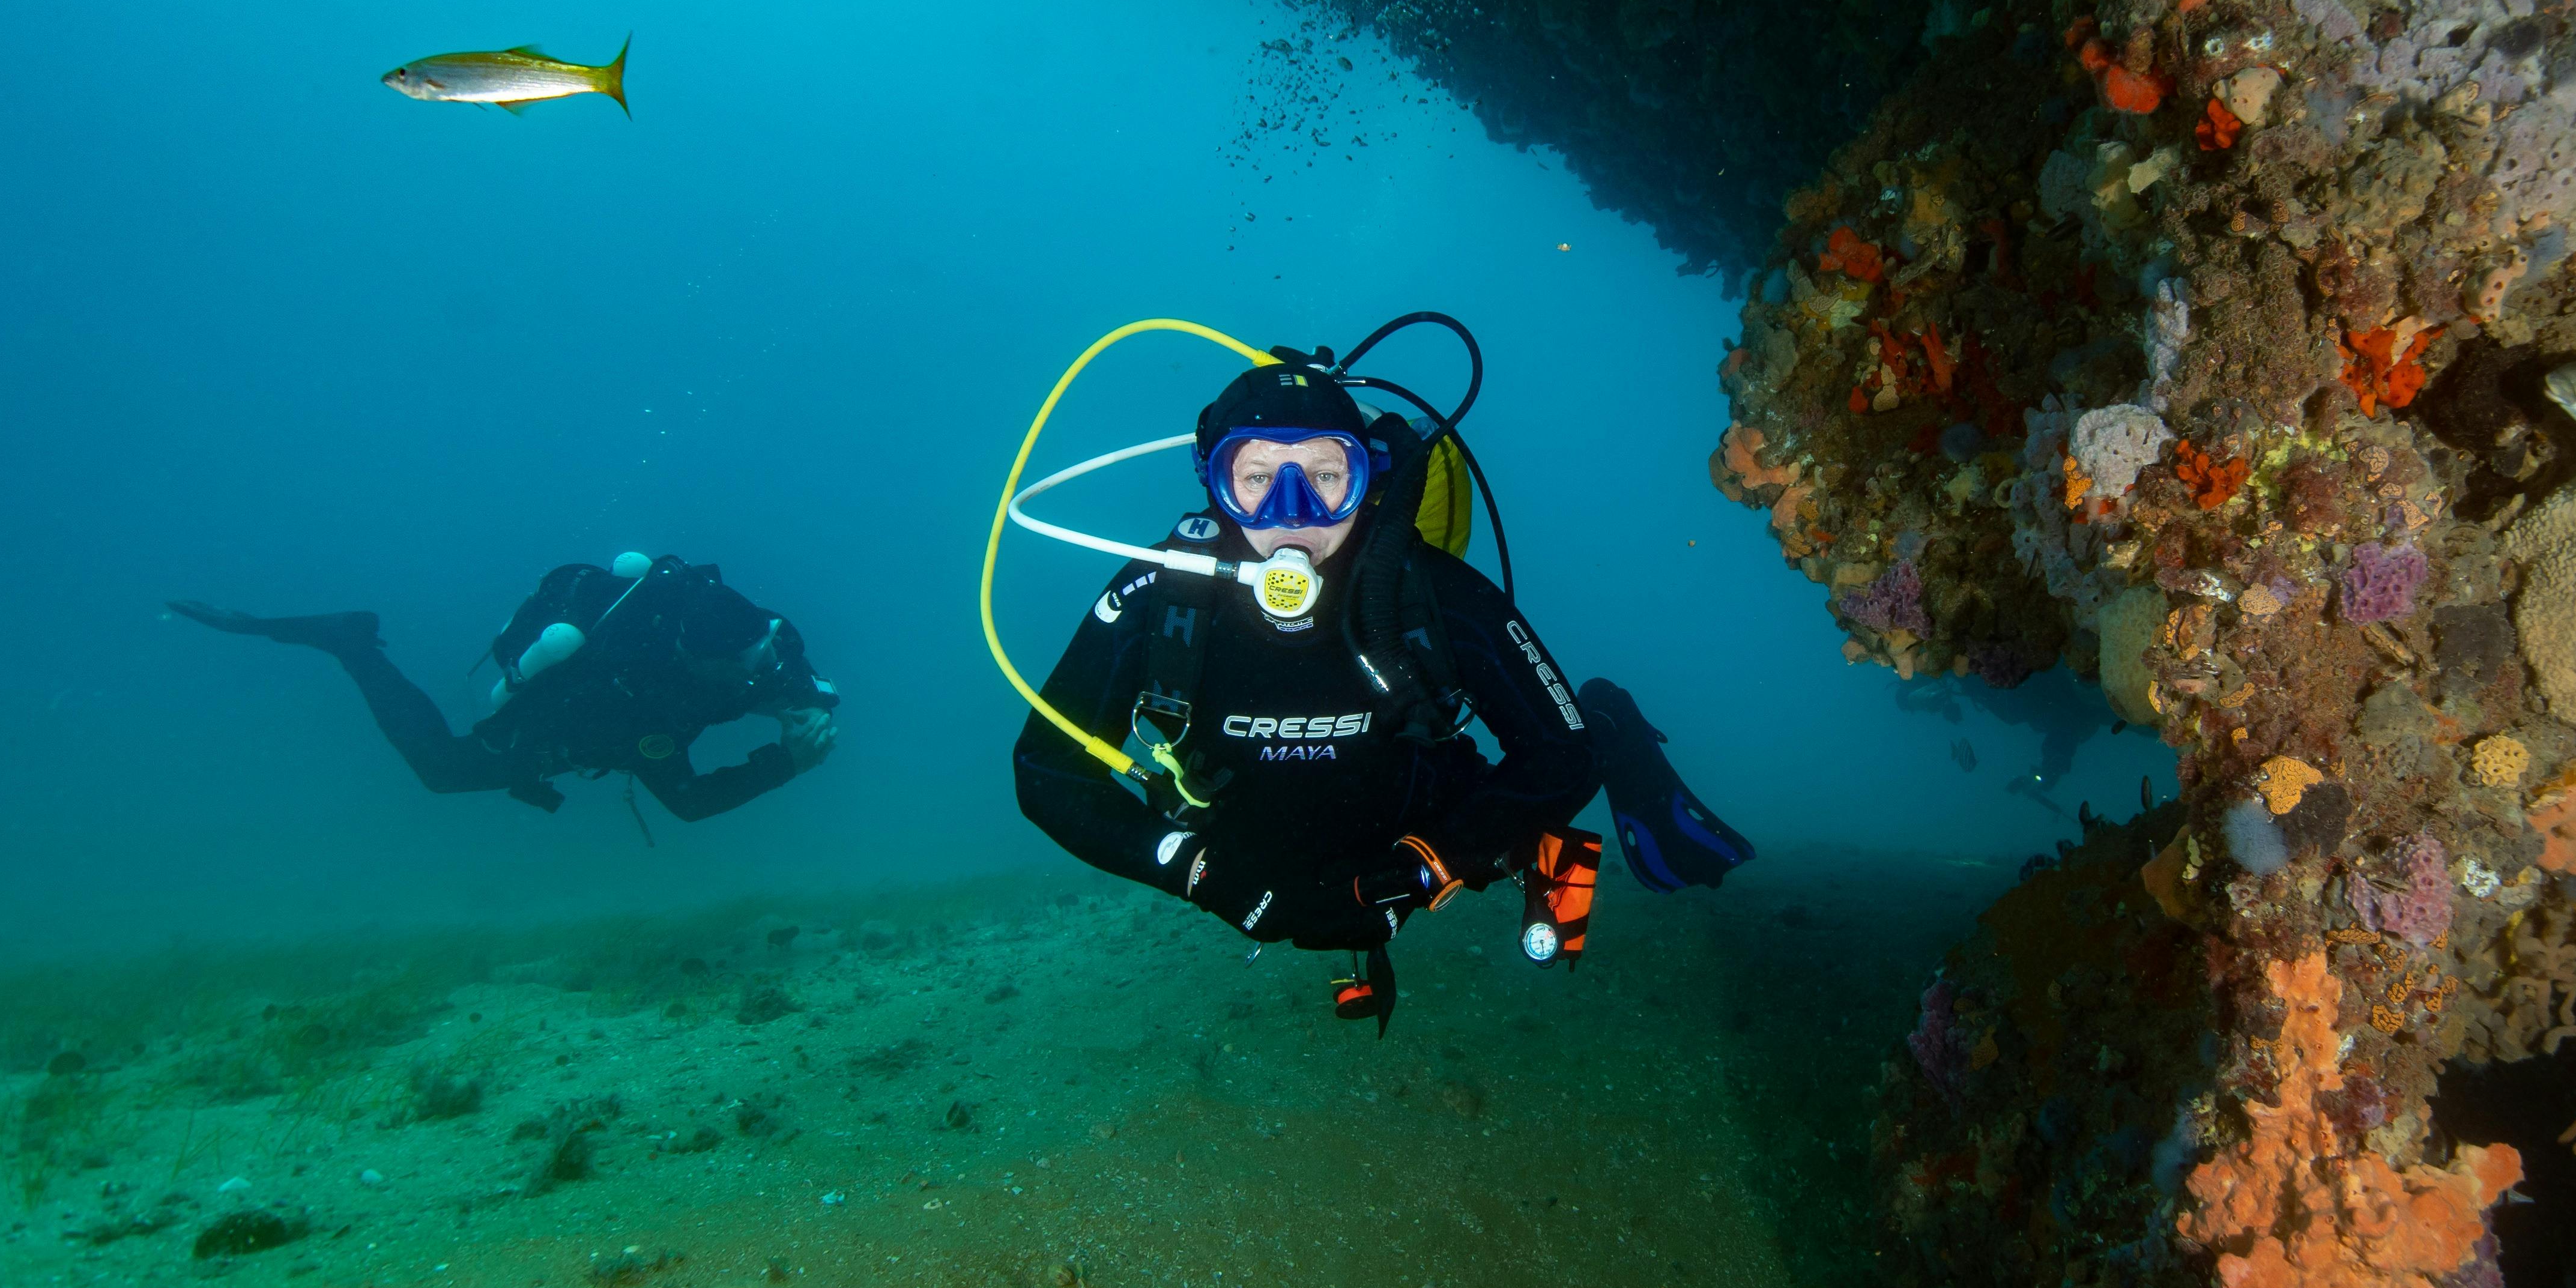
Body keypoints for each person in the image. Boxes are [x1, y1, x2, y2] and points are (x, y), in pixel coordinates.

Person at [1011, 352, 1746, 1030]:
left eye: (1327, 477)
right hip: (1238, 842)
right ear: (1215, 483)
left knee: (1564, 767)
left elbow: (1561, 748)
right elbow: (1045, 771)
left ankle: (1622, 726)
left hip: (1417, 825)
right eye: (1258, 477)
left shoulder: (1420, 590)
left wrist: (1427, 863)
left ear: (1369, 482)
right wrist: (1201, 873)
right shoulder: (1161, 595)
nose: (1292, 512)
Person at [169, 552, 838, 821]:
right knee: (443, 769)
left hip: (641, 686)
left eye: (765, 652)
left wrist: (804, 702)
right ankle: (352, 645)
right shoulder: (632, 704)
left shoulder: (752, 630)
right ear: (697, 660)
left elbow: (784, 669)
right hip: (567, 720)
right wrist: (785, 761)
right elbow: (689, 801)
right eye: (744, 666)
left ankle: (348, 642)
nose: (762, 671)